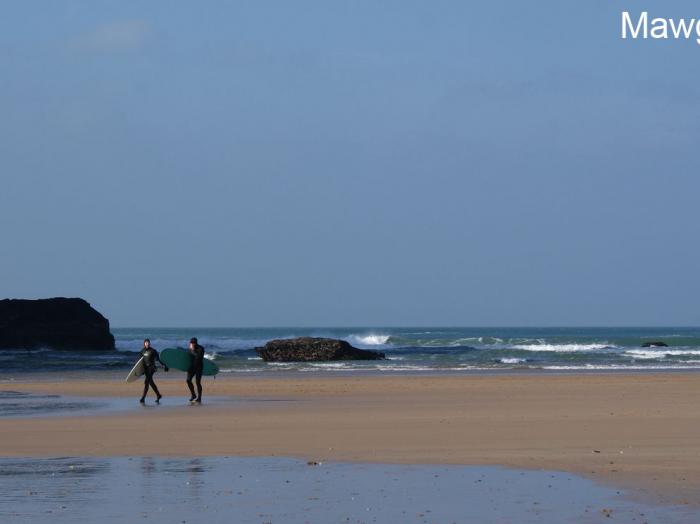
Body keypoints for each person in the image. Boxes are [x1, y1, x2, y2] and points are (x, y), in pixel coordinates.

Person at [139, 338, 168, 404]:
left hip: (152, 368)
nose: (147, 344)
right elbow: (140, 362)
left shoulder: (153, 351)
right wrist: (141, 370)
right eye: (146, 342)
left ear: (150, 343)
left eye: (148, 342)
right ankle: (158, 395)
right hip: (146, 369)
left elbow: (159, 359)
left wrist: (164, 365)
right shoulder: (142, 351)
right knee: (150, 382)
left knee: (146, 382)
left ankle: (143, 398)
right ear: (144, 343)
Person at [186, 337, 205, 404]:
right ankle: (193, 395)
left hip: (199, 367)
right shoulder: (190, 349)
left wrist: (193, 350)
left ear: (196, 343)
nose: (192, 344)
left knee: (197, 382)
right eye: (191, 343)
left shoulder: (201, 348)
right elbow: (187, 358)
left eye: (193, 343)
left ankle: (199, 398)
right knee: (188, 380)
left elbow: (198, 358)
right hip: (192, 367)